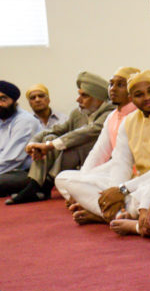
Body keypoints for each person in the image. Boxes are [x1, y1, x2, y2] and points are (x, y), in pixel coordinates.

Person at [57, 71, 150, 231]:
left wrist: (123, 190)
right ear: (131, 98)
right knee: (67, 180)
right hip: (135, 184)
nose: (147, 97)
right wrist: (115, 194)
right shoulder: (129, 122)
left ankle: (109, 215)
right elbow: (121, 163)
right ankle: (118, 214)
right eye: (139, 94)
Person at [6, 72, 113, 205]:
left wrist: (50, 146)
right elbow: (55, 130)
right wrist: (34, 143)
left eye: (84, 95)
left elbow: (86, 133)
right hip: (76, 164)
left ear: (98, 98)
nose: (78, 99)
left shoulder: (110, 112)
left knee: (75, 143)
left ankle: (43, 186)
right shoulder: (78, 113)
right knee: (49, 137)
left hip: (101, 164)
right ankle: (37, 186)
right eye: (79, 94)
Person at [54, 67, 139, 220]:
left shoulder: (138, 115)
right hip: (115, 171)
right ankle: (105, 209)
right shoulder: (112, 116)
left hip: (136, 176)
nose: (112, 89)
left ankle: (105, 213)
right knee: (63, 178)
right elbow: (99, 152)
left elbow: (126, 162)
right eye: (111, 84)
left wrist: (113, 190)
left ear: (133, 89)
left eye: (120, 85)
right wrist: (82, 180)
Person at [0, 81, 41, 196]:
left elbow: (12, 159)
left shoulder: (25, 121)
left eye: (3, 99)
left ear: (14, 101)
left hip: (26, 172)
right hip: (5, 170)